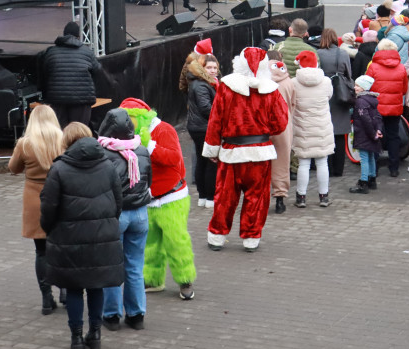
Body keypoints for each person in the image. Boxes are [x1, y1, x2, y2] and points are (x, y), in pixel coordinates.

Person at [40, 122, 123, 349]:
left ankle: (76, 339)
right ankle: (95, 334)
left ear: (66, 141)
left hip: (69, 240)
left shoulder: (59, 169)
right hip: (102, 237)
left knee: (74, 288)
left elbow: (48, 208)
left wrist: (50, 230)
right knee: (96, 287)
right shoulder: (108, 165)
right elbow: (118, 203)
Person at [204, 47, 289, 252]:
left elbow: (215, 120)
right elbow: (280, 123)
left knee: (225, 198)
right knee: (257, 198)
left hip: (232, 151)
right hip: (260, 153)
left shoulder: (226, 87)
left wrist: (212, 150)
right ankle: (251, 237)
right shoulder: (271, 89)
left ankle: (217, 235)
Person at [119, 98, 196, 299]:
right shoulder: (130, 136)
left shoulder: (164, 130)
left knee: (176, 241)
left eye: (132, 119)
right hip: (148, 198)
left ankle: (185, 280)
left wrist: (150, 145)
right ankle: (153, 279)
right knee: (150, 244)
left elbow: (174, 159)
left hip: (172, 197)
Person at [6, 105, 64, 315]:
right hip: (60, 197)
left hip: (34, 200)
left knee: (41, 251)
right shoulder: (62, 139)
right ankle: (65, 290)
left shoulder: (25, 144)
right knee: (62, 246)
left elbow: (13, 168)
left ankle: (46, 298)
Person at [97, 109, 152, 331]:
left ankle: (111, 315)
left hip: (115, 215)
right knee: (135, 266)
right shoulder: (142, 150)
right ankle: (136, 315)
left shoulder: (102, 153)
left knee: (111, 266)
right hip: (140, 214)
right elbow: (149, 181)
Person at [290, 50, 334, 208]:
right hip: (322, 127)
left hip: (302, 127)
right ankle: (324, 196)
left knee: (303, 163)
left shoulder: (294, 82)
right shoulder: (326, 81)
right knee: (323, 162)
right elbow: (329, 97)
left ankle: (301, 197)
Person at [39, 22, 101, 127]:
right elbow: (98, 71)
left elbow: (44, 75)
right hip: (82, 99)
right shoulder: (87, 52)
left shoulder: (50, 52)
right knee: (79, 134)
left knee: (60, 134)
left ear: (64, 34)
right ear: (78, 36)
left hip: (57, 99)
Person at [366, 39, 408, 178]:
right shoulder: (401, 67)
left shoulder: (373, 67)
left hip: (376, 107)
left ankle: (375, 167)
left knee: (376, 136)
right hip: (394, 107)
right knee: (393, 136)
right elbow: (404, 89)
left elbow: (366, 86)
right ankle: (394, 167)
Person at [316, 28, 353, 178]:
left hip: (323, 94)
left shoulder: (318, 54)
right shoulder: (342, 53)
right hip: (340, 94)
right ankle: (338, 169)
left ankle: (327, 167)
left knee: (325, 133)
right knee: (339, 133)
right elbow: (348, 74)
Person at [184, 52, 219, 207]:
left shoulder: (201, 82)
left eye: (215, 67)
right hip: (204, 128)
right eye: (209, 67)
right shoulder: (202, 84)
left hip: (198, 126)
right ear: (202, 68)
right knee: (211, 161)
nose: (212, 70)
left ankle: (203, 197)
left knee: (202, 160)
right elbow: (206, 107)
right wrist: (221, 114)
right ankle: (210, 197)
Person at [267, 53, 294, 213]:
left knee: (262, 163)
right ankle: (280, 198)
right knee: (282, 162)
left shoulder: (259, 80)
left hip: (263, 125)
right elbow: (293, 104)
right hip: (283, 126)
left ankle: (259, 197)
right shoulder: (288, 82)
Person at [350, 75, 382, 194]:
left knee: (364, 158)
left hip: (363, 133)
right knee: (371, 156)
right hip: (372, 132)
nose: (355, 87)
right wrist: (378, 130)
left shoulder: (360, 101)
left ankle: (363, 182)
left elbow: (365, 119)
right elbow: (377, 116)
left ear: (364, 88)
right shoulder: (372, 99)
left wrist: (372, 133)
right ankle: (372, 179)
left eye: (358, 85)